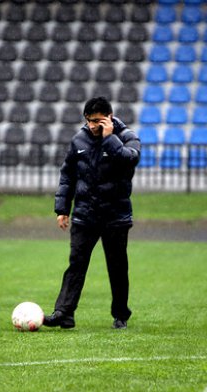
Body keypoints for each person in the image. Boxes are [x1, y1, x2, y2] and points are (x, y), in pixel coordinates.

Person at [43, 97, 141, 330]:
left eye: (98, 121)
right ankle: (64, 313)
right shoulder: (79, 139)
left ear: (109, 117)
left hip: (115, 216)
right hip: (85, 216)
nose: (93, 126)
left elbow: (129, 160)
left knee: (117, 268)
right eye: (89, 121)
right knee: (76, 264)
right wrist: (62, 209)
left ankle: (120, 315)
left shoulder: (128, 138)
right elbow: (67, 175)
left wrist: (109, 139)